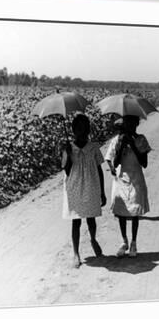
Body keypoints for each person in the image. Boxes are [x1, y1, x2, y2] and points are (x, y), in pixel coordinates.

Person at [61, 114, 107, 268]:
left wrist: (102, 192)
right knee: (76, 220)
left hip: (91, 185)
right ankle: (76, 253)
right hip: (74, 186)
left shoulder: (93, 147)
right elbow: (66, 170)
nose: (82, 131)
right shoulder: (69, 148)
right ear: (73, 130)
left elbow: (99, 169)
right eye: (78, 129)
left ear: (88, 130)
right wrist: (67, 154)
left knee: (91, 218)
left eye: (84, 128)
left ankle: (93, 239)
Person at [105, 115, 150, 258]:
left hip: (136, 178)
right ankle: (124, 241)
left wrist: (134, 145)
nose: (129, 126)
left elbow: (144, 163)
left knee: (135, 211)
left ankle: (134, 242)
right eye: (127, 124)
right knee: (122, 211)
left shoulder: (141, 139)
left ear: (137, 124)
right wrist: (122, 146)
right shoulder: (117, 140)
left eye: (132, 123)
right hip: (121, 179)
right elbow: (116, 162)